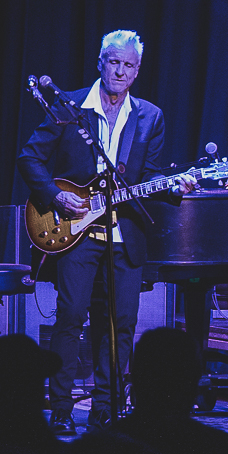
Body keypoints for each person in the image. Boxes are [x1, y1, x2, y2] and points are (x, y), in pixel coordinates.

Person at [17, 30, 196, 431]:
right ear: (101, 63)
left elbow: (147, 178)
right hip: (75, 229)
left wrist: (174, 188)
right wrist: (54, 196)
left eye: (128, 65)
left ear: (136, 72)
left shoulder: (150, 116)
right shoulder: (69, 106)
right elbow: (29, 157)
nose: (120, 70)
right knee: (70, 318)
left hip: (125, 234)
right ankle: (61, 408)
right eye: (114, 62)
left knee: (121, 325)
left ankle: (106, 406)